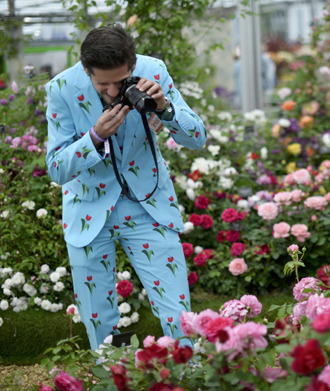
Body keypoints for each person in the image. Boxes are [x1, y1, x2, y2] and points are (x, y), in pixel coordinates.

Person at [44, 25, 206, 350]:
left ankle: (190, 379)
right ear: (86, 70)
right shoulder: (61, 88)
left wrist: (165, 109)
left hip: (148, 206)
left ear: (133, 66)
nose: (113, 91)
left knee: (177, 313)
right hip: (88, 212)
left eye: (120, 82)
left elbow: (197, 138)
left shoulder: (154, 71)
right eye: (102, 84)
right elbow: (57, 169)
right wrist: (93, 138)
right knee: (100, 320)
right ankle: (115, 379)